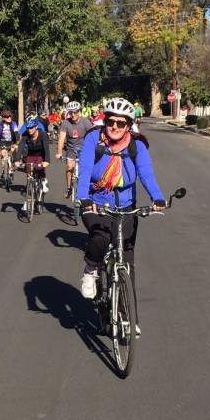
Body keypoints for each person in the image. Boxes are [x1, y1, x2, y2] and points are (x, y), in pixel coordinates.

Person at [76, 97, 165, 313]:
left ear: (128, 125)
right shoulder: (93, 140)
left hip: (126, 207)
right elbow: (85, 169)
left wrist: (157, 197)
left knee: (127, 259)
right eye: (111, 121)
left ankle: (128, 315)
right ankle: (90, 270)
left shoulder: (137, 145)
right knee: (101, 238)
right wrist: (84, 198)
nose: (114, 127)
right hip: (96, 203)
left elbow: (145, 172)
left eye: (121, 123)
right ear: (105, 121)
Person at [55, 101, 93, 199]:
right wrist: (59, 152)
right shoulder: (65, 123)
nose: (73, 114)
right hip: (71, 148)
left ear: (79, 112)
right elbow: (61, 139)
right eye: (71, 112)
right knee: (69, 166)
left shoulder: (85, 122)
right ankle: (69, 188)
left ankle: (87, 188)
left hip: (84, 148)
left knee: (85, 169)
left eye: (75, 112)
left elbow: (93, 135)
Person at [15, 119, 51, 211]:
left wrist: (47, 161)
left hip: (41, 155)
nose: (30, 130)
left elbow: (46, 148)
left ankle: (43, 179)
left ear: (36, 127)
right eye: (28, 128)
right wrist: (17, 160)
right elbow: (20, 148)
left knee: (39, 166)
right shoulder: (25, 135)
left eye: (31, 128)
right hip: (31, 155)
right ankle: (29, 200)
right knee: (29, 176)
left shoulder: (42, 134)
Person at [0, 109, 19, 178]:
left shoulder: (14, 124)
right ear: (3, 118)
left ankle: (12, 164)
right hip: (3, 141)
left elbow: (16, 133)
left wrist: (17, 142)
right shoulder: (0, 124)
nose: (9, 118)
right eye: (7, 117)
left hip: (11, 141)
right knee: (3, 154)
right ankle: (3, 170)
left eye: (10, 116)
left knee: (13, 151)